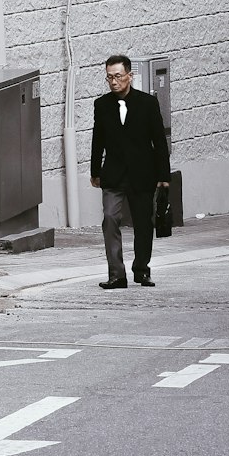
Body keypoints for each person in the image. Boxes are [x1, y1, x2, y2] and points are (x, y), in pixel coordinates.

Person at [90, 54, 170, 289]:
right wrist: (95, 171)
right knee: (110, 219)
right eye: (109, 77)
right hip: (113, 175)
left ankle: (142, 270)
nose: (114, 82)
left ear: (129, 76)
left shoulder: (148, 103)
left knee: (144, 223)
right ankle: (117, 274)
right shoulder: (102, 105)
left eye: (118, 76)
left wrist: (163, 177)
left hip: (142, 174)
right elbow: (98, 140)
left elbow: (159, 142)